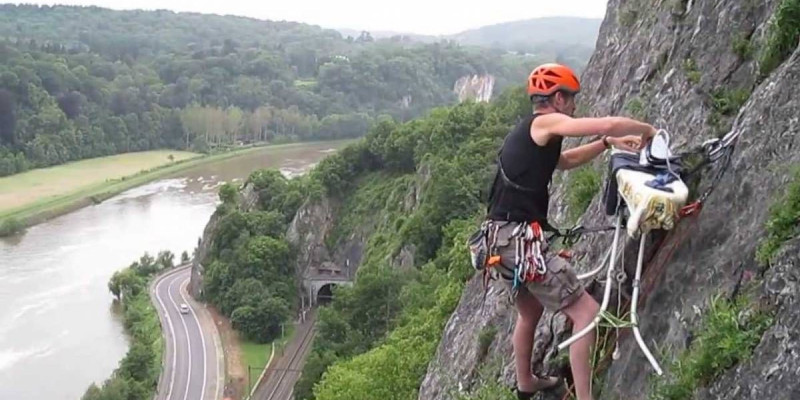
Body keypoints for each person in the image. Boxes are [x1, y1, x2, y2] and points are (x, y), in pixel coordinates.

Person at [484, 63, 657, 400]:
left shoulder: (534, 133)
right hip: (519, 241)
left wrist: (606, 143)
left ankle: (526, 383)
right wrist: (648, 130)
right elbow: (604, 121)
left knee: (530, 310)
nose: (576, 106)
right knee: (587, 313)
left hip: (500, 240)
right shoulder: (546, 122)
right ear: (559, 99)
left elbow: (564, 162)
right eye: (573, 99)